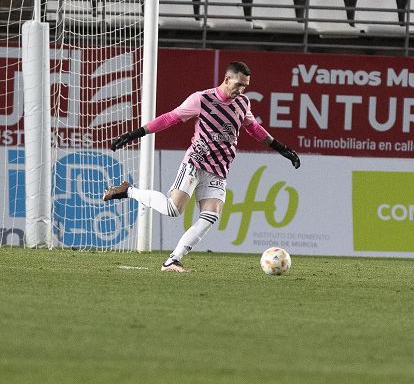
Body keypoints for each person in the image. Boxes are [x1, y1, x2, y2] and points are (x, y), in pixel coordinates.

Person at [102, 61, 301, 272]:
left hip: (219, 168)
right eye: (239, 84)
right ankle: (128, 191)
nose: (241, 90)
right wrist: (135, 134)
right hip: (195, 162)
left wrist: (281, 148)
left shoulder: (243, 103)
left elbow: (254, 128)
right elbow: (170, 118)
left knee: (211, 215)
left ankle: (172, 260)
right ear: (226, 79)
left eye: (245, 86)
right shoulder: (202, 99)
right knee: (173, 209)